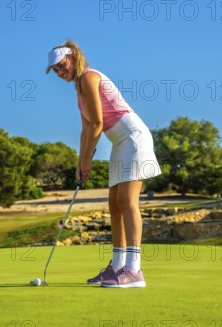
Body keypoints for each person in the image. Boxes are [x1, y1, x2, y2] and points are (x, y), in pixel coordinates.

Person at [45, 40, 162, 288]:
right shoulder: (79, 90)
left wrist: (88, 159)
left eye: (61, 65)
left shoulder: (89, 77)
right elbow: (86, 127)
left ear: (74, 57)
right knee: (114, 204)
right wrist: (80, 161)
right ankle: (117, 266)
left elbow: (98, 123)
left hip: (133, 137)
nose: (59, 72)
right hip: (120, 142)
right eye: (55, 69)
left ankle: (134, 270)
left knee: (127, 201)